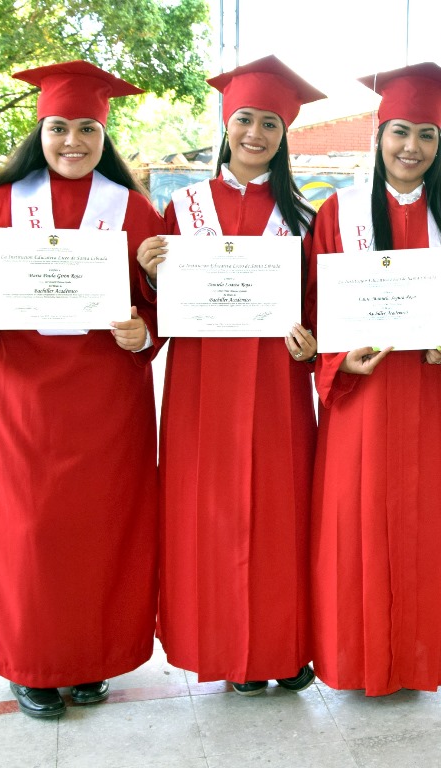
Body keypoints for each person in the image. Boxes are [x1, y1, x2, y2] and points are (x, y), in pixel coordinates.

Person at [0, 61, 162, 718]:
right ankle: (31, 664)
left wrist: (142, 330)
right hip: (23, 398)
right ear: (41, 129)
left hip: (107, 401)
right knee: (27, 532)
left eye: (87, 129)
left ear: (103, 135)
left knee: (101, 528)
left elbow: (158, 301)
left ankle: (92, 659)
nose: (73, 141)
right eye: (60, 126)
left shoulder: (133, 211)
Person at [135, 56, 324, 695]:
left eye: (270, 123)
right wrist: (151, 271)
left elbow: (321, 302)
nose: (255, 133)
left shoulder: (305, 215)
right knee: (207, 513)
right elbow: (152, 307)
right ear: (226, 122)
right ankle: (226, 651)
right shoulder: (183, 209)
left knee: (282, 512)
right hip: (202, 386)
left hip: (278, 384)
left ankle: (282, 645)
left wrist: (313, 342)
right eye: (245, 118)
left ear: (284, 133)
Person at [305, 62, 441, 696]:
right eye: (400, 132)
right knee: (359, 526)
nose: (412, 147)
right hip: (366, 396)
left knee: (429, 527)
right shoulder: (337, 212)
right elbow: (310, 308)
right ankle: (361, 658)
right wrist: (335, 360)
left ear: (440, 145)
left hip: (436, 395)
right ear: (379, 136)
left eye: (427, 135)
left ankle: (417, 658)